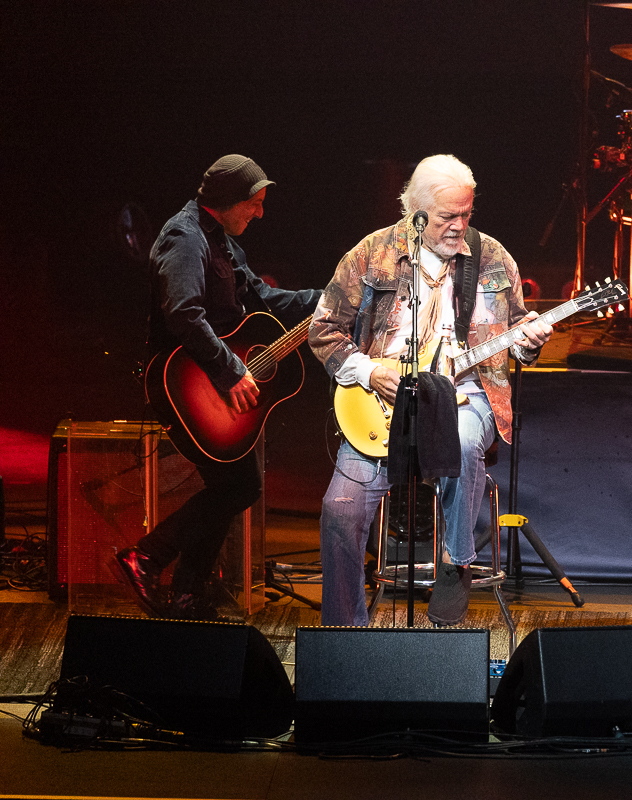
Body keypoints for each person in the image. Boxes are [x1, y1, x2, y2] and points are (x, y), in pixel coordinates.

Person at [309, 154, 553, 628]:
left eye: (467, 214)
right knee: (339, 511)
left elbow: (517, 334)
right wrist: (367, 371)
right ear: (416, 212)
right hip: (384, 401)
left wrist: (529, 342)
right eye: (447, 216)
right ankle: (343, 635)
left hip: (468, 392)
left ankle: (456, 564)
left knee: (461, 438)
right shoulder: (372, 253)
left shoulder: (492, 256)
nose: (460, 226)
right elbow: (323, 329)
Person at [115, 155, 321, 619]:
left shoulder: (221, 240)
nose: (260, 213)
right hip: (186, 384)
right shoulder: (184, 238)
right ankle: (146, 556)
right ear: (228, 201)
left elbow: (261, 297)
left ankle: (186, 593)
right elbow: (184, 314)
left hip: (210, 379)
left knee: (233, 485)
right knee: (238, 485)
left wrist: (323, 300)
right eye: (254, 203)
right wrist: (230, 372)